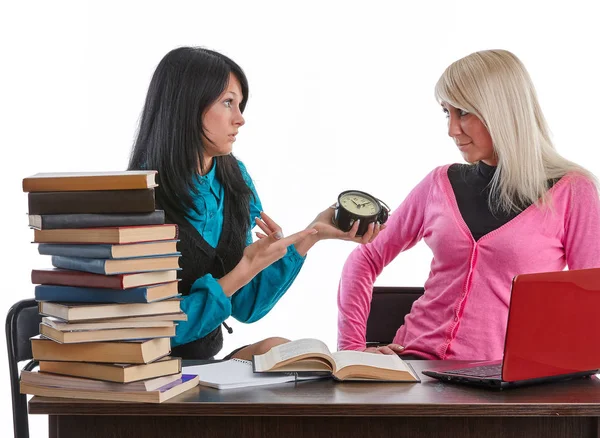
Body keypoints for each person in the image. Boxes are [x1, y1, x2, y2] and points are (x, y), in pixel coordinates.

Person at [337, 49, 600, 361]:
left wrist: (558, 372)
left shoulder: (572, 191)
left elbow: (590, 298)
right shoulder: (439, 183)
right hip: (413, 368)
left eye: (463, 112)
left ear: (502, 110)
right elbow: (364, 259)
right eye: (447, 113)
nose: (452, 130)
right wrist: (352, 351)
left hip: (504, 382)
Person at [128, 47, 384, 361]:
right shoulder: (139, 199)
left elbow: (246, 306)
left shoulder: (235, 179)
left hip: (205, 366)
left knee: (280, 348)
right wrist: (245, 268)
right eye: (227, 103)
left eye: (240, 104)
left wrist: (309, 236)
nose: (240, 118)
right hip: (149, 372)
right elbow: (151, 328)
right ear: (187, 106)